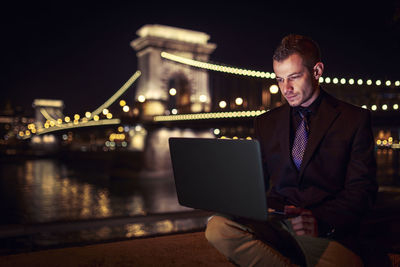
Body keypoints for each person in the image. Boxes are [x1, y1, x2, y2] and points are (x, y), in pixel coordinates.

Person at [205, 34, 378, 266]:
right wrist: (230, 192)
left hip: (324, 231)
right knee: (217, 227)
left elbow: (362, 192)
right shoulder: (265, 122)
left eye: (294, 77)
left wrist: (320, 221)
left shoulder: (354, 119)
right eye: (279, 79)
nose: (285, 88)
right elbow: (256, 183)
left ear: (317, 71)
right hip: (277, 223)